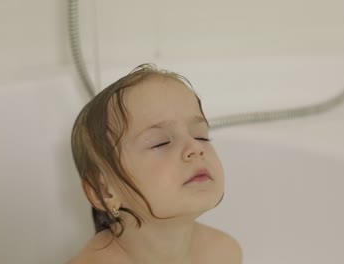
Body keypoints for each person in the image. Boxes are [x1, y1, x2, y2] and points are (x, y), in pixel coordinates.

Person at [68, 63, 242, 264]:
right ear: (105, 190)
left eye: (201, 136)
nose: (195, 147)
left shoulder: (223, 253)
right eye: (161, 142)